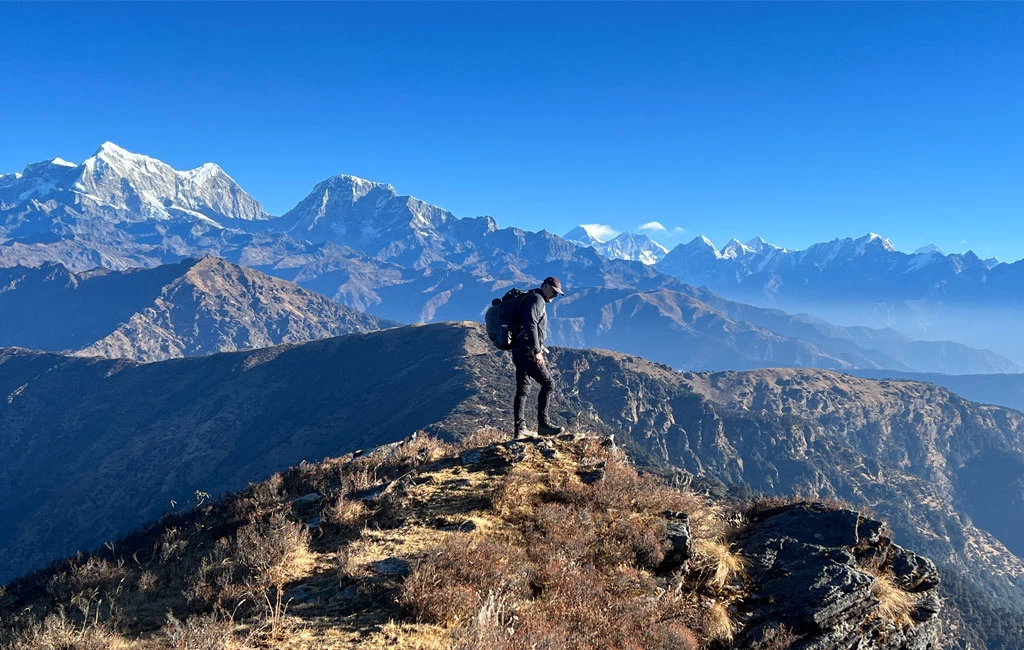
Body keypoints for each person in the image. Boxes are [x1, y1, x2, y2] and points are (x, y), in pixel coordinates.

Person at [513, 276, 565, 438]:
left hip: (520, 349)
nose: (554, 296)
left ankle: (520, 430)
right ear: (545, 286)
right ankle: (543, 424)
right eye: (553, 291)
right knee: (548, 383)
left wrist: (539, 345)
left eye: (557, 293)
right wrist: (537, 350)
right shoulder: (537, 300)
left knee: (523, 389)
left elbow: (528, 325)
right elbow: (530, 324)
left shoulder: (532, 298)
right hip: (527, 351)